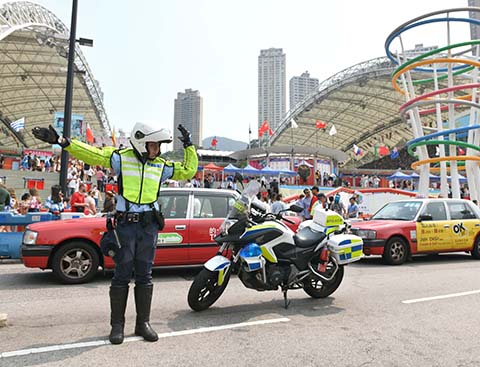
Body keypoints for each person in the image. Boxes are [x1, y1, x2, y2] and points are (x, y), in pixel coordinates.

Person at [32, 122, 197, 345]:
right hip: (125, 226)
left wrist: (188, 145)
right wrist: (63, 141)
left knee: (145, 275)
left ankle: (143, 324)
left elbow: (188, 170)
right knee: (121, 275)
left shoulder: (161, 165)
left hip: (148, 228)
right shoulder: (121, 157)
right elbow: (94, 155)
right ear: (141, 142)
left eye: (158, 145)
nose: (157, 149)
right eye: (153, 144)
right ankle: (117, 326)